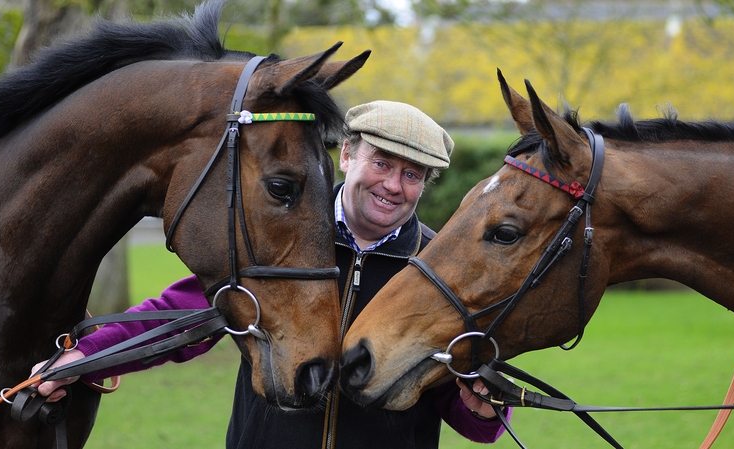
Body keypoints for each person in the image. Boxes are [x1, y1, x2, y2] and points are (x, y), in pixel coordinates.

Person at [34, 100, 512, 448]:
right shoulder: (278, 237)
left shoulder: (442, 267)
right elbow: (181, 317)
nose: (392, 185)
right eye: (382, 162)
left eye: (412, 174)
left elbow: (471, 414)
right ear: (347, 155)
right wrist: (86, 358)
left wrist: (485, 405)